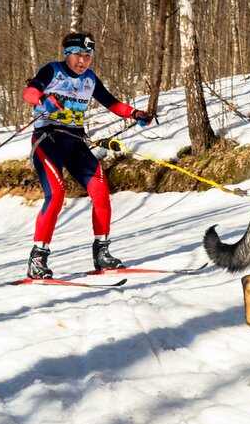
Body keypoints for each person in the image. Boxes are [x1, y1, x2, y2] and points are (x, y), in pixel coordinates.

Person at [21, 32, 154, 279]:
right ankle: (38, 257)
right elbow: (28, 93)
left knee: (100, 189)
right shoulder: (52, 71)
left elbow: (112, 103)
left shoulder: (89, 79)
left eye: (88, 56)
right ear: (67, 54)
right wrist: (43, 99)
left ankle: (101, 253)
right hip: (47, 141)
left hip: (75, 142)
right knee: (57, 193)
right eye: (79, 56)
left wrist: (135, 114)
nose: (83, 61)